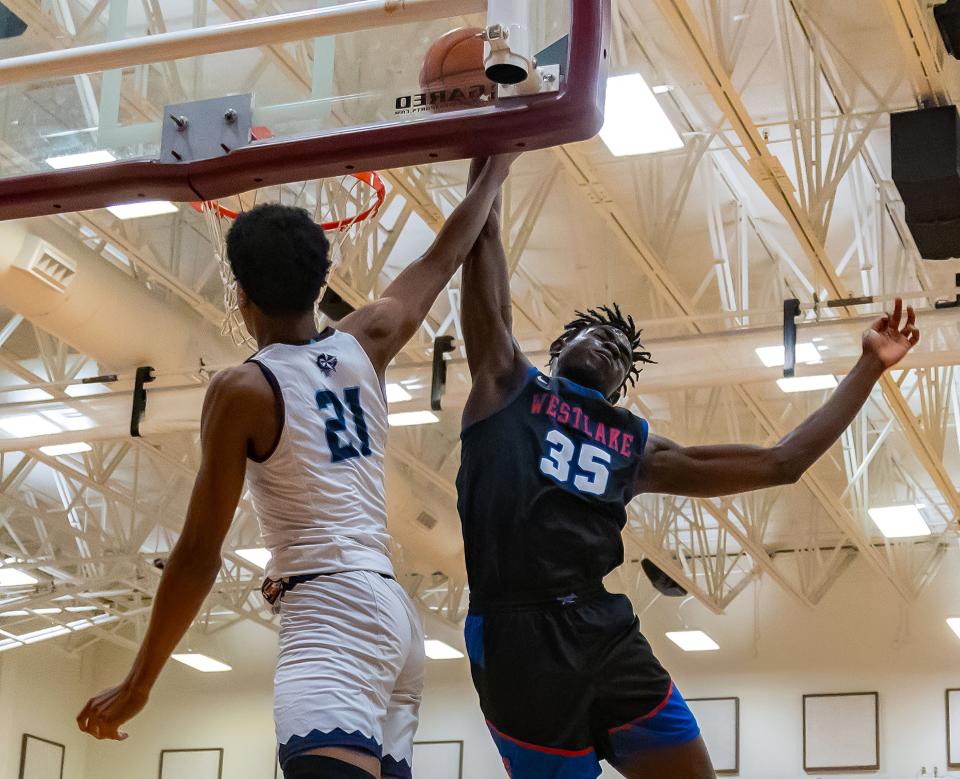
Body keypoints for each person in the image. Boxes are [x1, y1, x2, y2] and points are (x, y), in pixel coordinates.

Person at [456, 162, 920, 779]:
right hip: (516, 636)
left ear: (622, 389)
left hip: (601, 626)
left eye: (622, 356)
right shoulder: (505, 383)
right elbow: (482, 240)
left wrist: (869, 365)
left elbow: (782, 462)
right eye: (597, 336)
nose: (611, 348)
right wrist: (494, 156)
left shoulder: (636, 446)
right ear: (558, 349)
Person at [76, 153, 519, 779]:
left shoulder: (243, 390)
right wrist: (495, 163)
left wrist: (140, 681)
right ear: (320, 284)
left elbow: (201, 552)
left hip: (329, 612)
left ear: (241, 294)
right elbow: (441, 257)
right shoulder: (367, 338)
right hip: (393, 616)